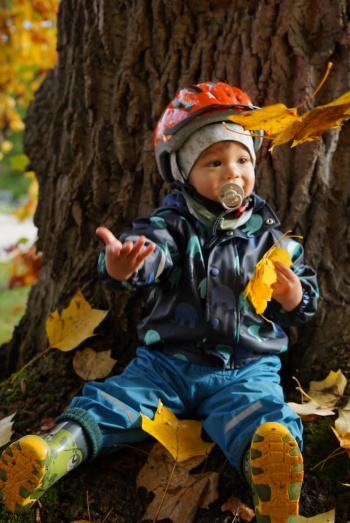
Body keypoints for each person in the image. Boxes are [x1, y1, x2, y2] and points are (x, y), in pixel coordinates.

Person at [0, 81, 318, 522]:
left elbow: (308, 297)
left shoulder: (270, 236)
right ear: (184, 171)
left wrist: (294, 294)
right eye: (214, 161)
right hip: (166, 365)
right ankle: (54, 452)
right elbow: (151, 253)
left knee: (261, 414)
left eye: (243, 159)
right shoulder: (172, 225)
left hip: (244, 367)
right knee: (114, 403)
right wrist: (123, 265)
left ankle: (273, 478)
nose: (233, 172)